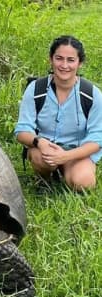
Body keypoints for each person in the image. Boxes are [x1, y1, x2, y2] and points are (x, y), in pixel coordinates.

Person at [14, 35, 102, 191]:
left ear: (80, 63)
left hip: (77, 151)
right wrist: (39, 142)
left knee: (84, 182)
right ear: (51, 59)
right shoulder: (35, 89)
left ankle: (69, 170)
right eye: (59, 58)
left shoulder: (91, 94)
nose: (64, 65)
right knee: (40, 158)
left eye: (71, 60)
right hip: (45, 149)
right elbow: (21, 131)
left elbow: (97, 139)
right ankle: (44, 179)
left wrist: (66, 156)